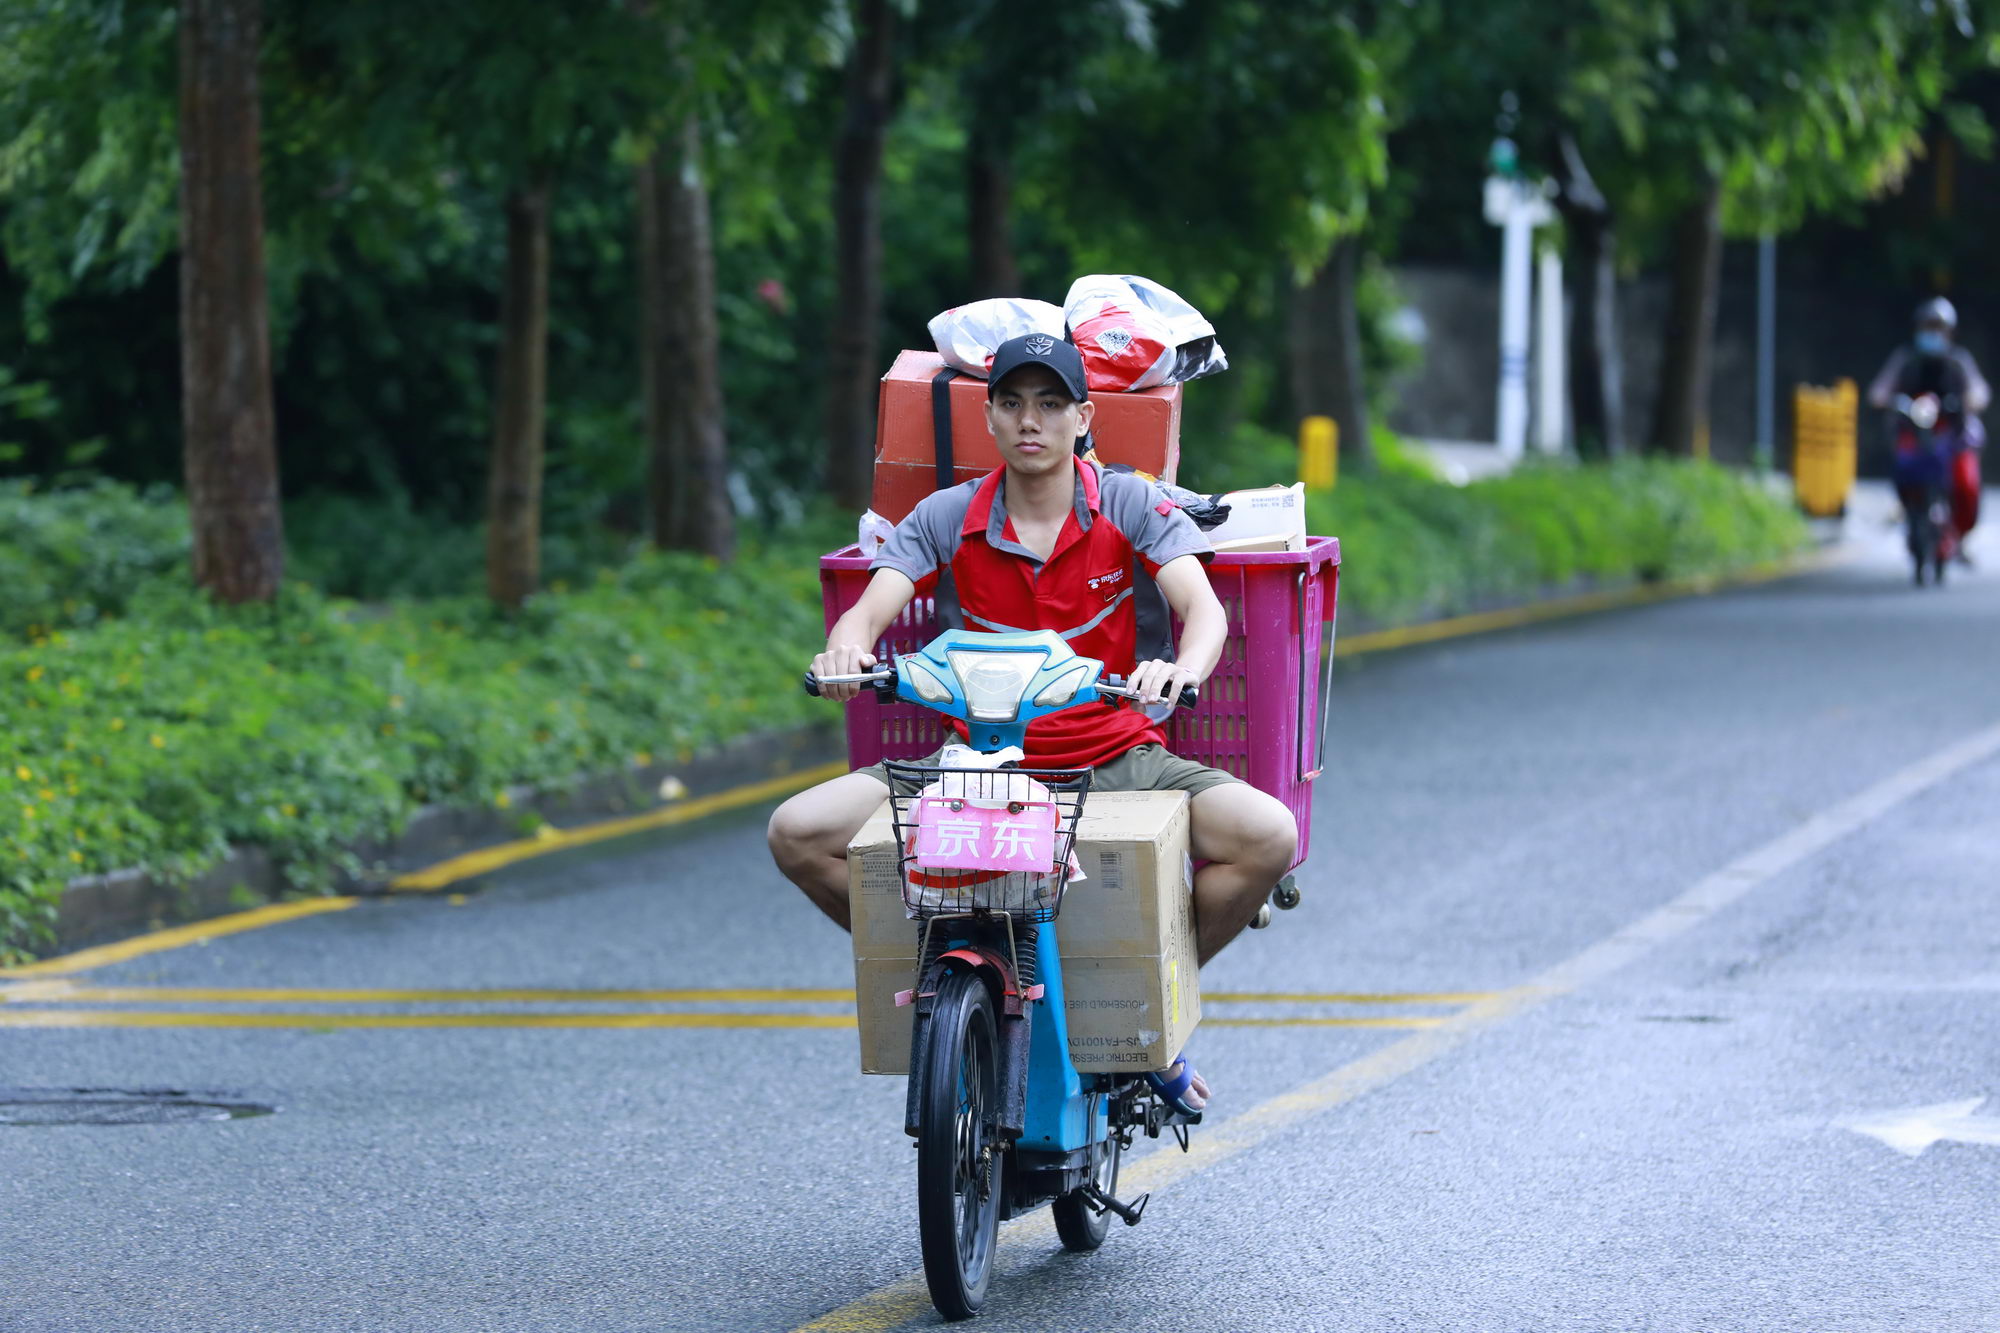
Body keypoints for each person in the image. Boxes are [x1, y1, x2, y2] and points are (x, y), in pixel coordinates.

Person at [767, 333, 1298, 1113]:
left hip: (1118, 757)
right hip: (979, 763)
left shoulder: (1127, 501)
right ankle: (945, 976)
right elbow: (868, 609)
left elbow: (1202, 609)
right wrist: (846, 651)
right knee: (795, 831)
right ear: (988, 417)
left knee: (1269, 836)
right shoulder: (947, 515)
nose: (1031, 420)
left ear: (1084, 417)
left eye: (1051, 404)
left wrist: (1179, 668)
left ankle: (1149, 1022)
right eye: (1013, 402)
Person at [1867, 297, 1987, 554]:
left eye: (1938, 327)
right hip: (1916, 430)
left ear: (1949, 331)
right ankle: (1910, 511)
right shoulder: (1905, 359)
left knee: (1966, 482)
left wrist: (1971, 400)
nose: (1933, 333)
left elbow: (1978, 390)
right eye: (1928, 327)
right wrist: (1885, 398)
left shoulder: (1958, 361)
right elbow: (1880, 389)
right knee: (1904, 469)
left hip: (1950, 433)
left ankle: (1958, 534)